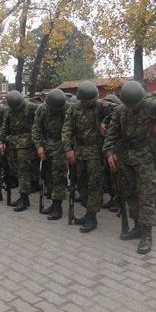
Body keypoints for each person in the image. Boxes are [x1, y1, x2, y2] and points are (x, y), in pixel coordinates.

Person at [103, 81, 156, 254]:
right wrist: (109, 153)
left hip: (147, 159)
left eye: (135, 105)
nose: (132, 109)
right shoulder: (120, 111)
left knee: (146, 196)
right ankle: (137, 227)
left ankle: (147, 234)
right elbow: (112, 135)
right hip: (127, 160)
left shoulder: (150, 104)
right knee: (131, 195)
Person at [62, 81, 113, 233]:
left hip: (96, 153)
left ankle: (92, 217)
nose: (89, 103)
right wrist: (68, 149)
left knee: (94, 185)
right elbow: (67, 129)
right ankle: (87, 212)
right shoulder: (74, 108)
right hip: (79, 152)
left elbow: (119, 111)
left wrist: (105, 122)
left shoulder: (101, 105)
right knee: (81, 184)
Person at [32, 88, 68, 220]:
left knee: (58, 176)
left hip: (61, 145)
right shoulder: (42, 109)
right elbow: (36, 129)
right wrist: (39, 146)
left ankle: (57, 206)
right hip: (46, 145)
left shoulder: (66, 108)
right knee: (48, 176)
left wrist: (67, 147)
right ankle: (53, 204)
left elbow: (69, 129)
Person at [0, 90, 38, 212]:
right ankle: (23, 197)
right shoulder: (8, 109)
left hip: (26, 142)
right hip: (12, 142)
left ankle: (24, 198)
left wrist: (37, 142)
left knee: (23, 171)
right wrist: (1, 141)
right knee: (15, 170)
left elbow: (38, 124)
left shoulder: (31, 107)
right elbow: (4, 126)